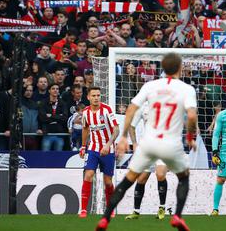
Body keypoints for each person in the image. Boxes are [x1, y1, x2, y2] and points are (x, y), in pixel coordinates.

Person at [95, 53, 197, 231]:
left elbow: (131, 109)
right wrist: (190, 138)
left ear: (163, 68)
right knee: (184, 177)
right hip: (170, 144)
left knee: (128, 180)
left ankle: (105, 219)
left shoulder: (150, 86)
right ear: (180, 67)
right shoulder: (186, 89)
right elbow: (191, 116)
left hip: (148, 143)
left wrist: (124, 137)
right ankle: (177, 216)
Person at [125, 102, 170, 220]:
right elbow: (132, 125)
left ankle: (162, 208)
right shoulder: (143, 106)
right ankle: (136, 211)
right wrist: (134, 143)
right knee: (141, 179)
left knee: (160, 174)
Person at [79, 86, 119, 218]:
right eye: (94, 96)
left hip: (108, 150)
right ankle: (83, 210)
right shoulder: (85, 112)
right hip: (93, 149)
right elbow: (85, 129)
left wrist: (108, 144)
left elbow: (116, 129)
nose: (96, 98)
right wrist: (83, 146)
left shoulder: (106, 110)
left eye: (98, 95)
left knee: (108, 181)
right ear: (88, 97)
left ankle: (110, 209)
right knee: (89, 174)